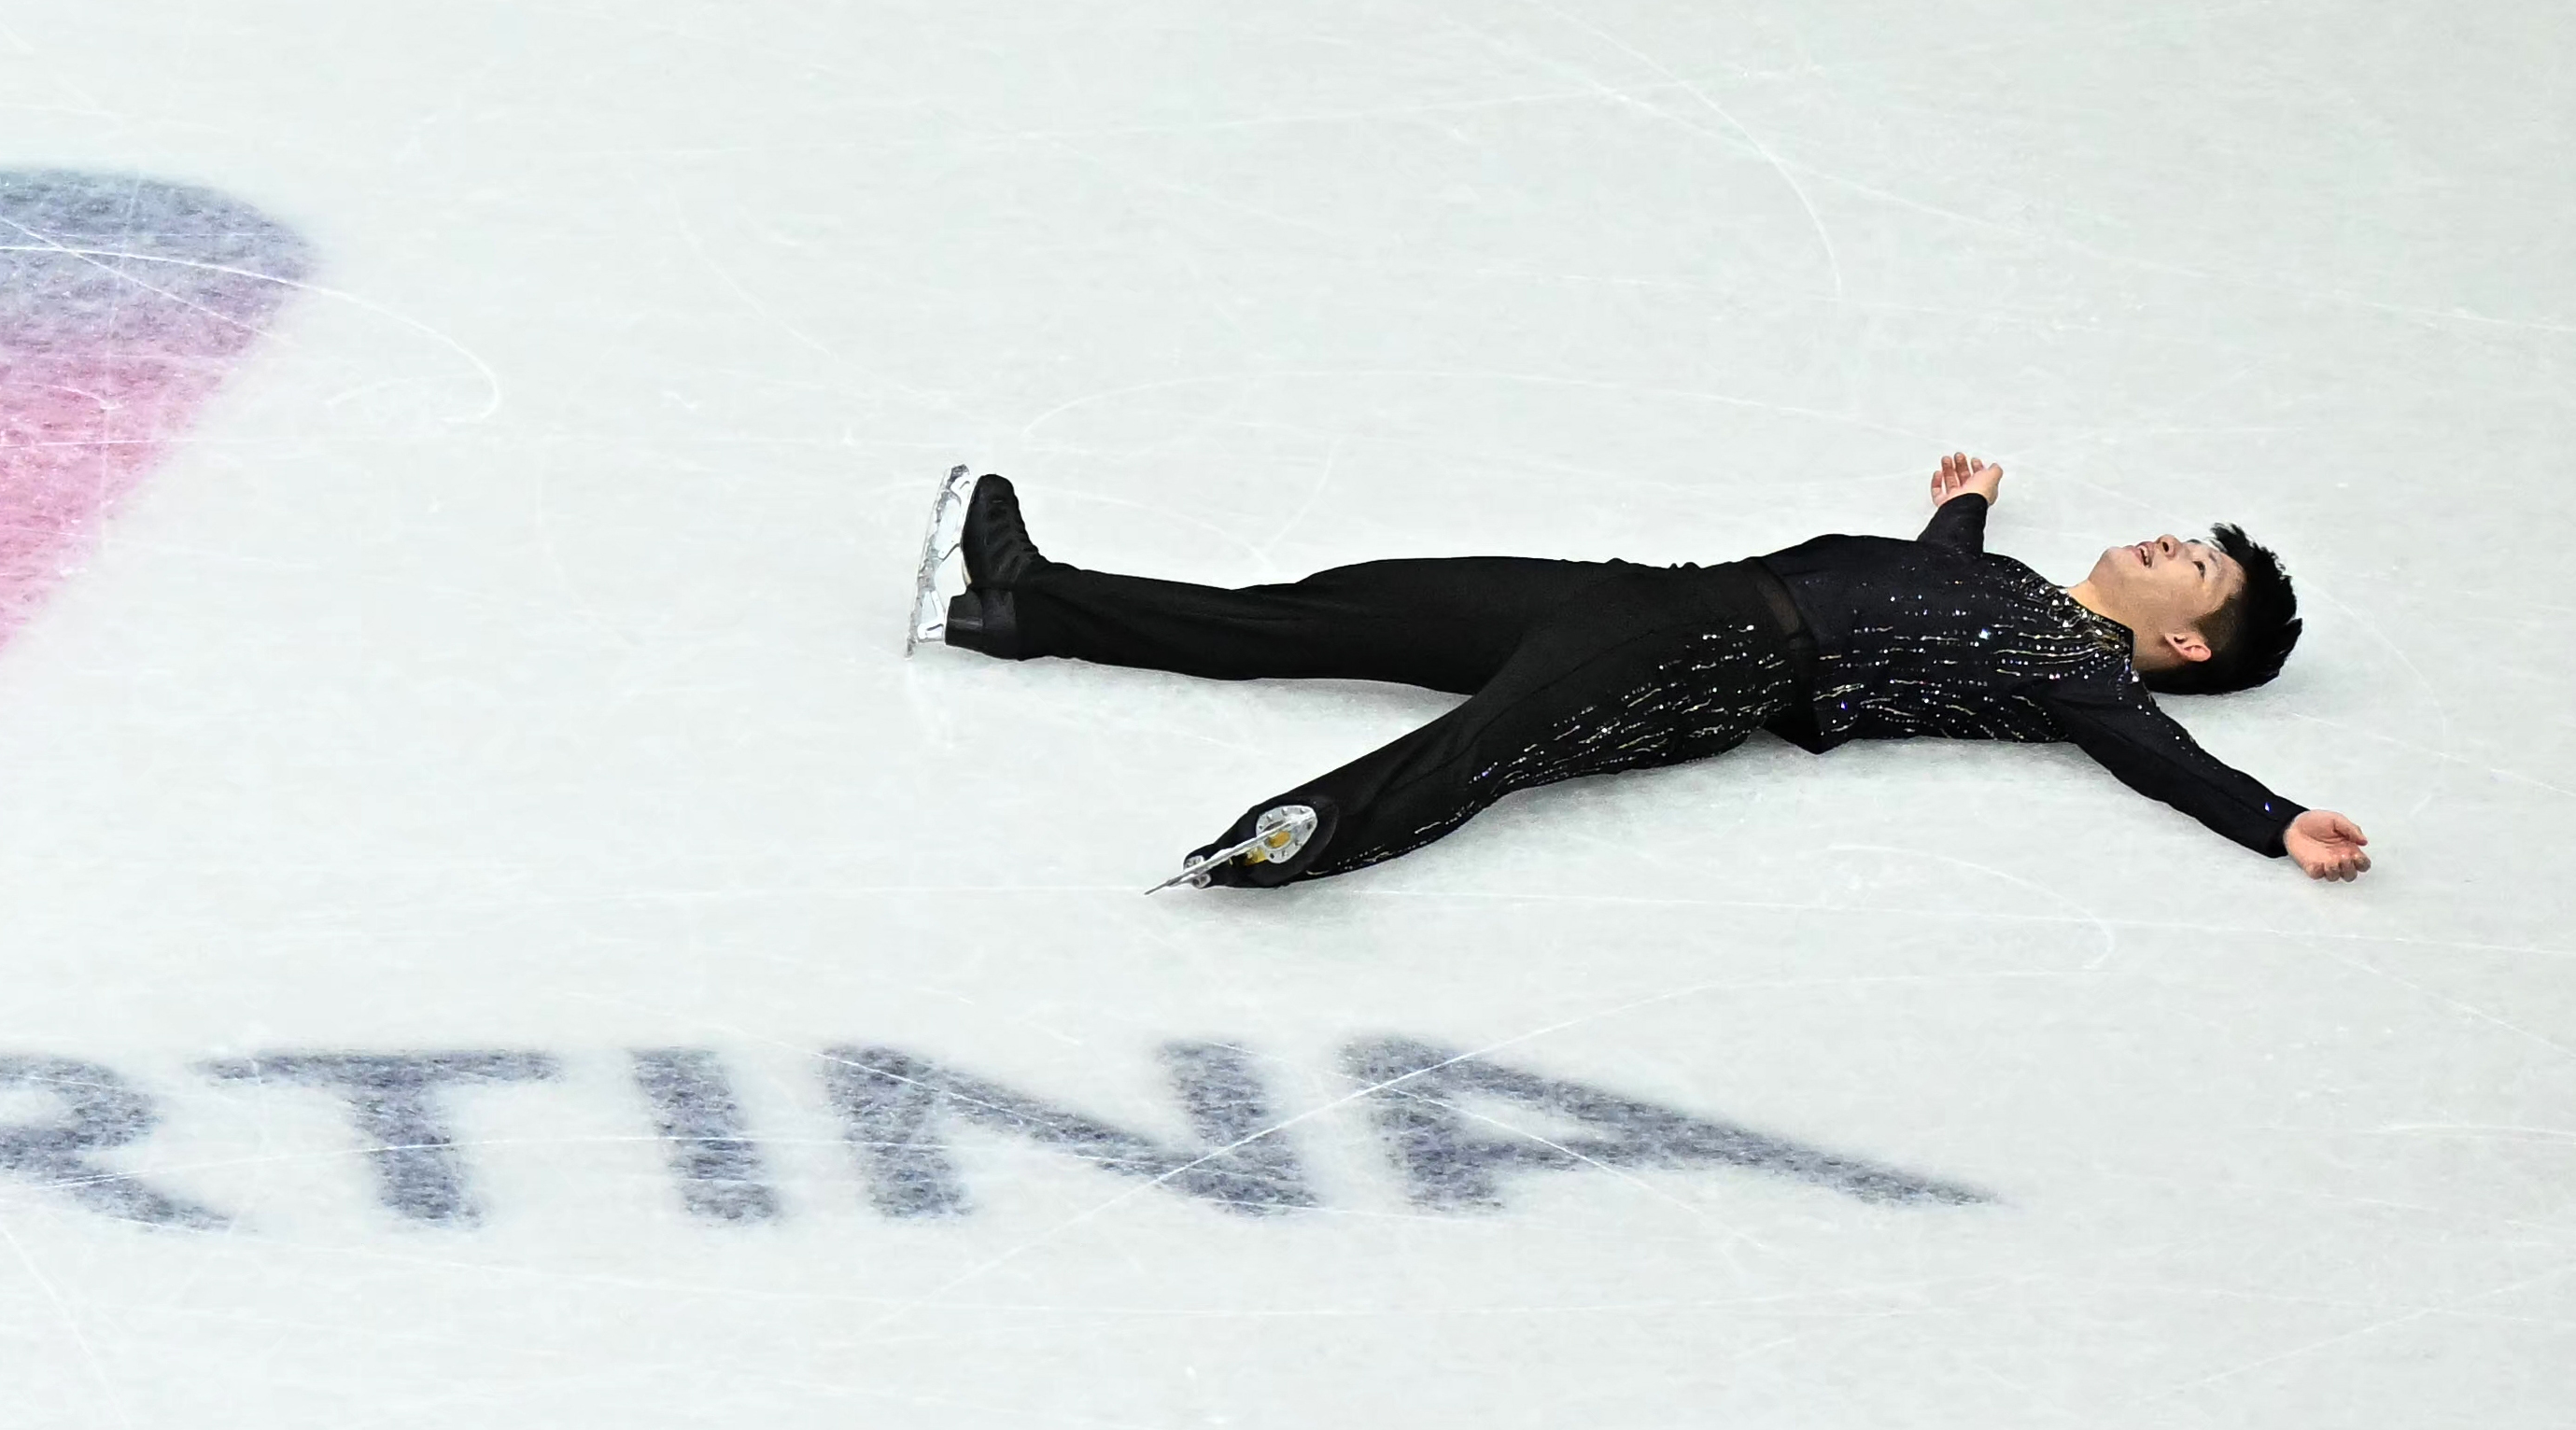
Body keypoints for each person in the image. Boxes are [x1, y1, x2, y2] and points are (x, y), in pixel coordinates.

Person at [912, 456, 2371, 890]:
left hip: (1724, 662)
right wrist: (1967, 502)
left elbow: (2166, 759)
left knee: (1494, 742)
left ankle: (1296, 836)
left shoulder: (2088, 674)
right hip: (1655, 596)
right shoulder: (2015, 592)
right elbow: (1936, 580)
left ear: (2185, 644)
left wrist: (2276, 818)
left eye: (2198, 572)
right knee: (1329, 611)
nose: (2176, 545)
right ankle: (1026, 606)